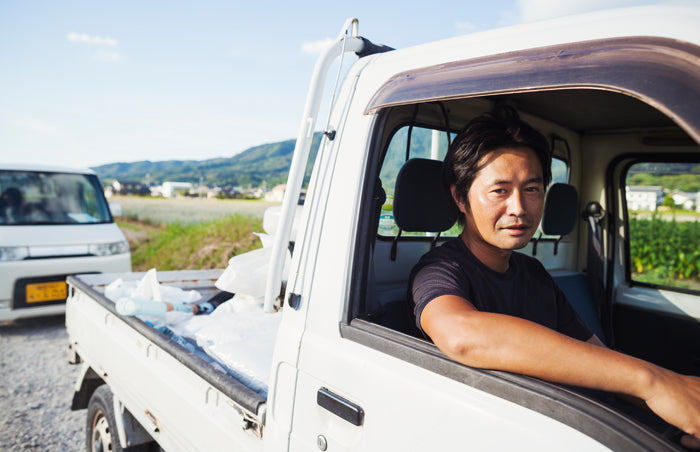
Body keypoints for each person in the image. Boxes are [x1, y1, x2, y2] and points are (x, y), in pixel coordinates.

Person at [409, 106, 700, 449]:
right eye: (500, 191)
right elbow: (462, 334)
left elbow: (594, 355)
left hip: (580, 424)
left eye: (531, 189)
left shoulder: (533, 272)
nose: (519, 208)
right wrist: (653, 382)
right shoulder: (440, 270)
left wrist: (677, 396)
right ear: (461, 198)